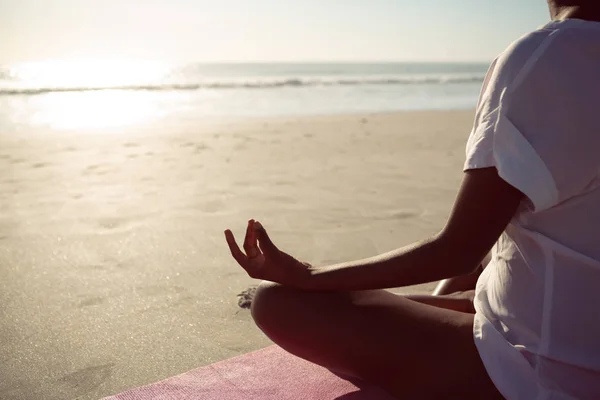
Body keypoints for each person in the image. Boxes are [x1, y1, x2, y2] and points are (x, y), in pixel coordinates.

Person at [224, 1, 600, 398]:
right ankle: (449, 308)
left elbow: (456, 252)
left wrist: (308, 275)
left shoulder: (548, 55)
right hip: (565, 317)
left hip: (549, 371)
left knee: (277, 303)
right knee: (471, 274)